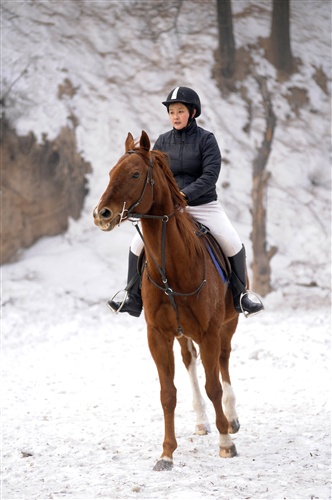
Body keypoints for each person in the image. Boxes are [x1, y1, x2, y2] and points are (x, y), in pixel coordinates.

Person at [108, 86, 264, 318]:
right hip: (169, 210)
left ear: (192, 113)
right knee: (136, 245)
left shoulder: (207, 140)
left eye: (180, 111)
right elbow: (154, 178)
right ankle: (132, 296)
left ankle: (241, 296)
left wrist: (185, 196)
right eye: (171, 112)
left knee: (232, 242)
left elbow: (210, 176)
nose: (175, 116)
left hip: (202, 205)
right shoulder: (162, 142)